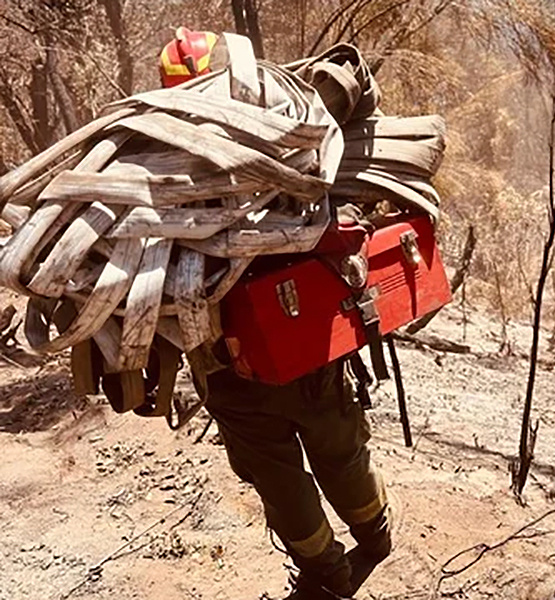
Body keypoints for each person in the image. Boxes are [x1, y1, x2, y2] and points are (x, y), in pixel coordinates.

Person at [158, 28, 392, 598]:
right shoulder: (295, 144)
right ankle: (375, 532)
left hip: (229, 360)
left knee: (277, 473)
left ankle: (324, 573)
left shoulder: (160, 172)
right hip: (310, 334)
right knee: (338, 440)